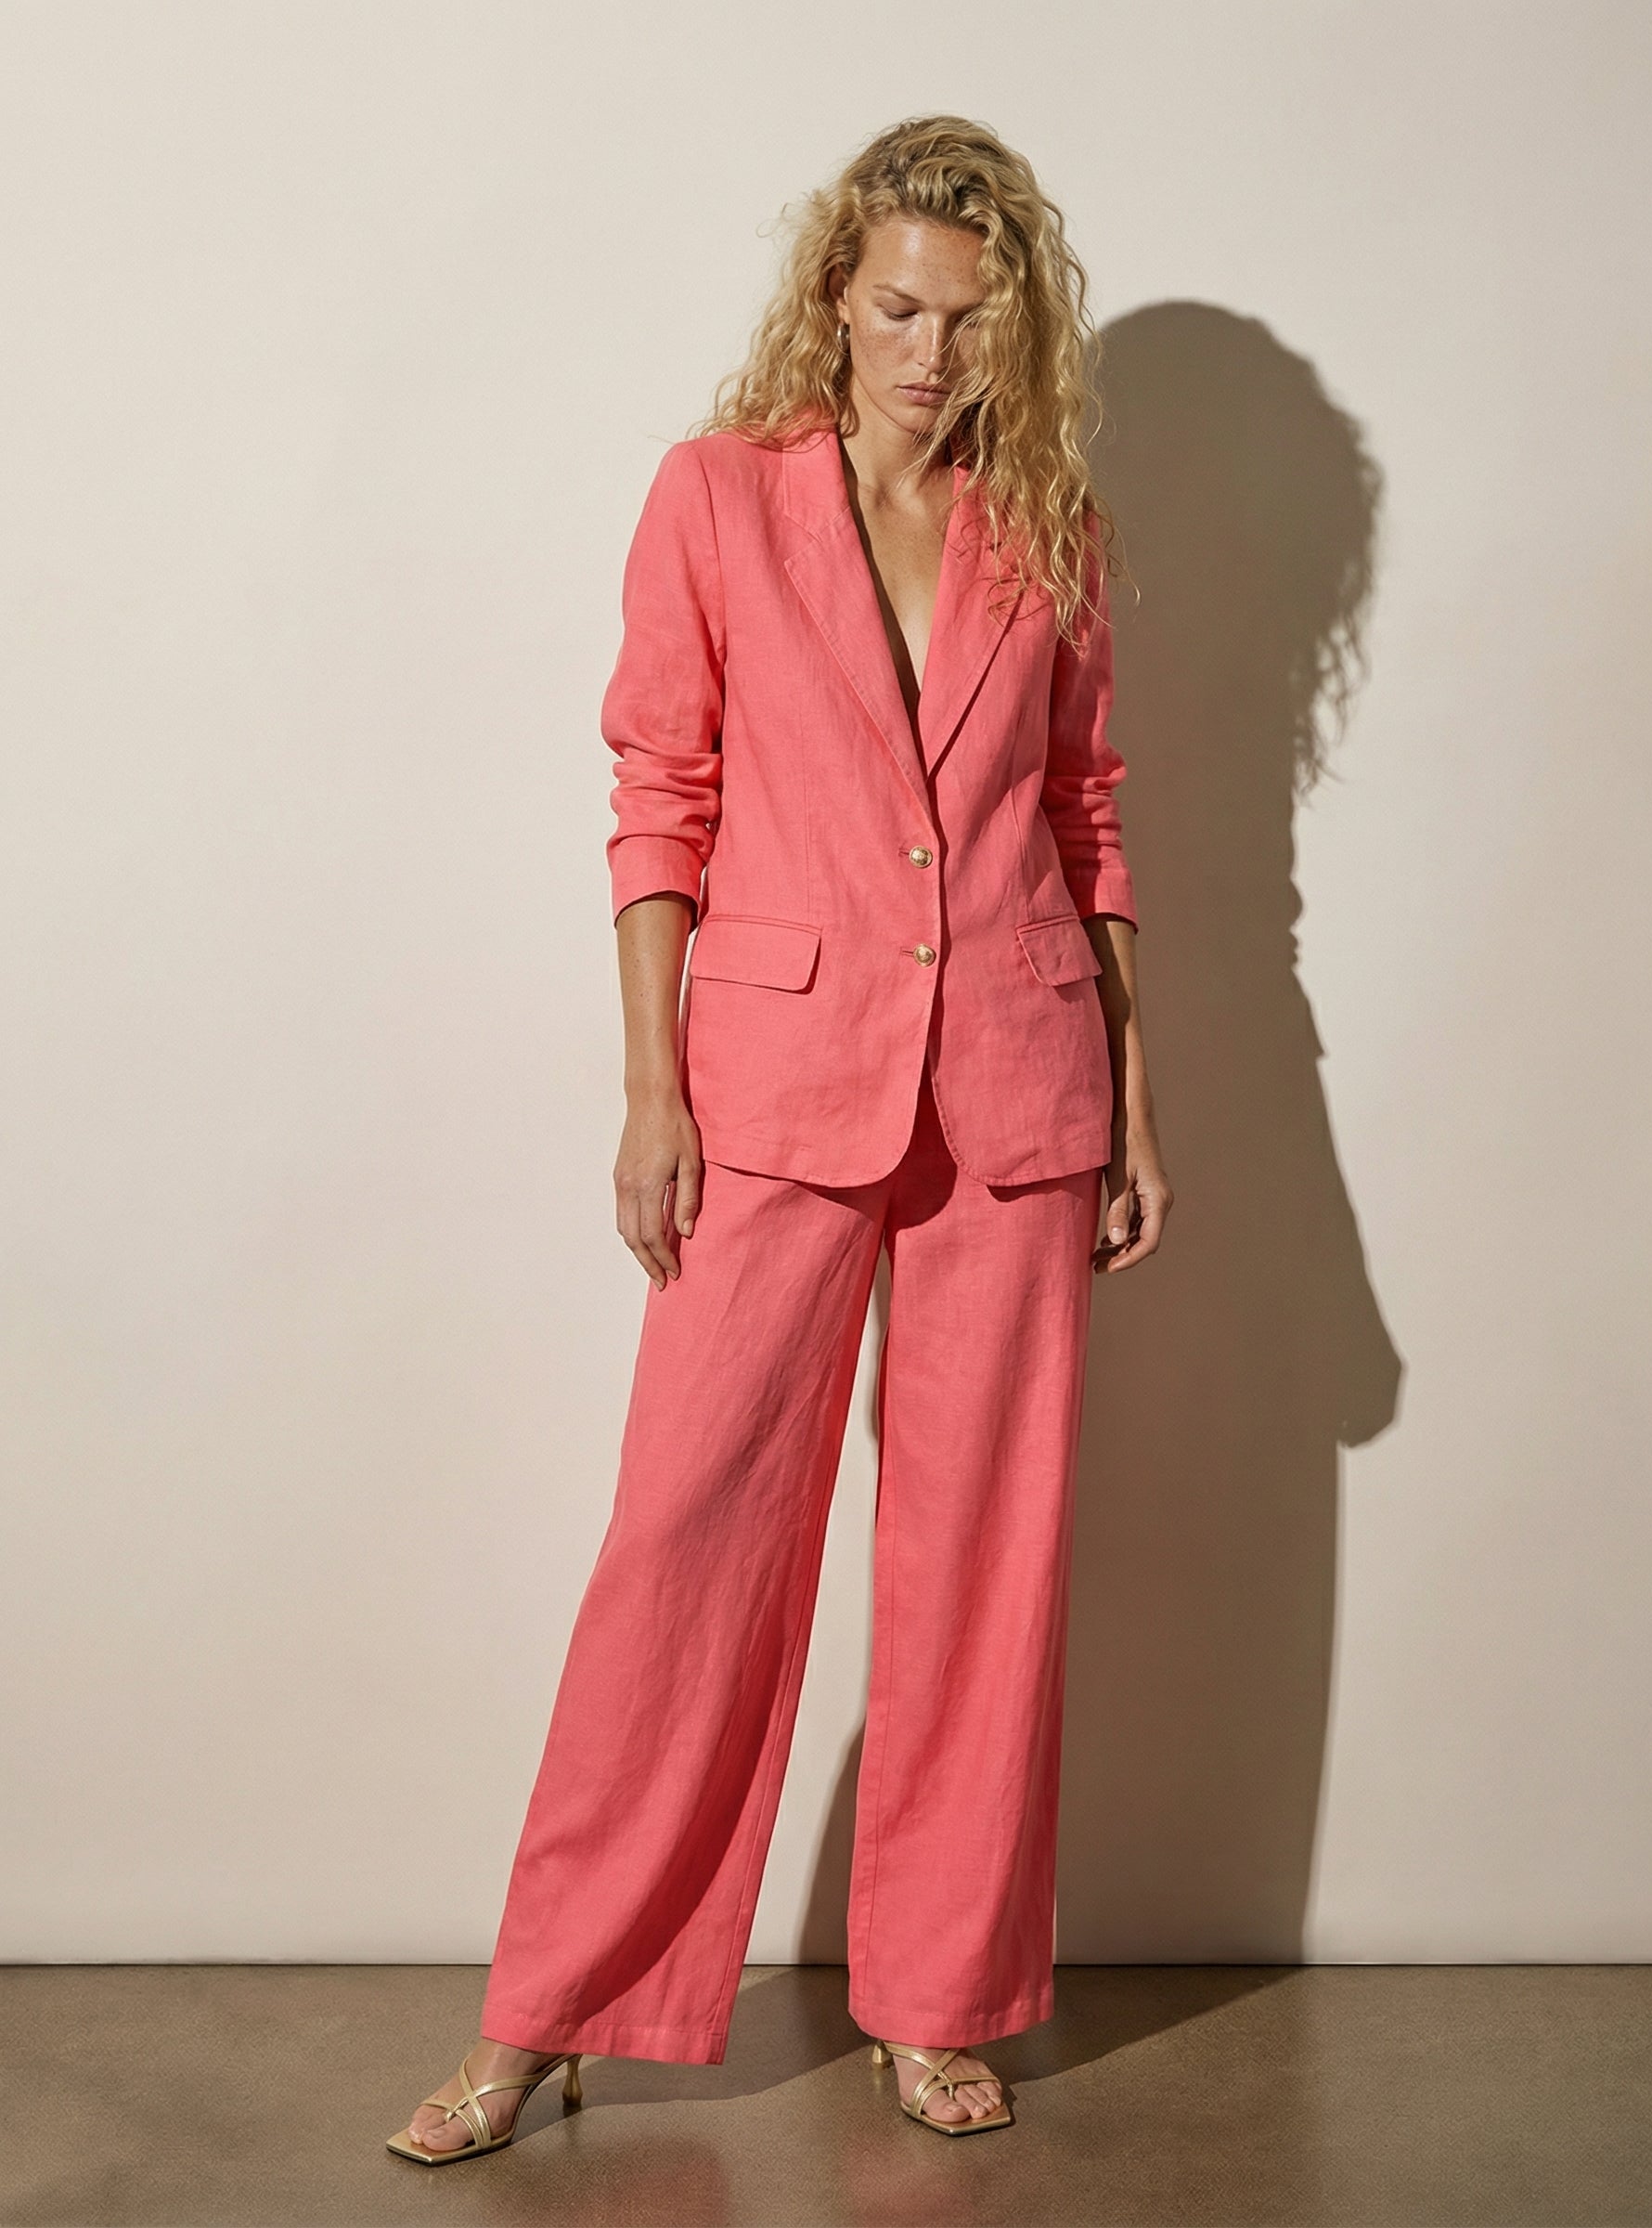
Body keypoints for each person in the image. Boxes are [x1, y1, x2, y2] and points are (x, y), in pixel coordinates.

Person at [389, 112, 1173, 2163]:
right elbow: (661, 797)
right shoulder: (717, 495)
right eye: (898, 309)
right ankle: (550, 2010)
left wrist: (1133, 1097)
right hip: (772, 1086)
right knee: (685, 1541)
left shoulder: (1048, 524)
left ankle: (938, 2001)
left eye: (969, 320)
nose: (930, 352)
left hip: (1015, 1087)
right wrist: (652, 1090)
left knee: (983, 1565)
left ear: (1015, 330)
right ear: (834, 294)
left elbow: (1086, 814)